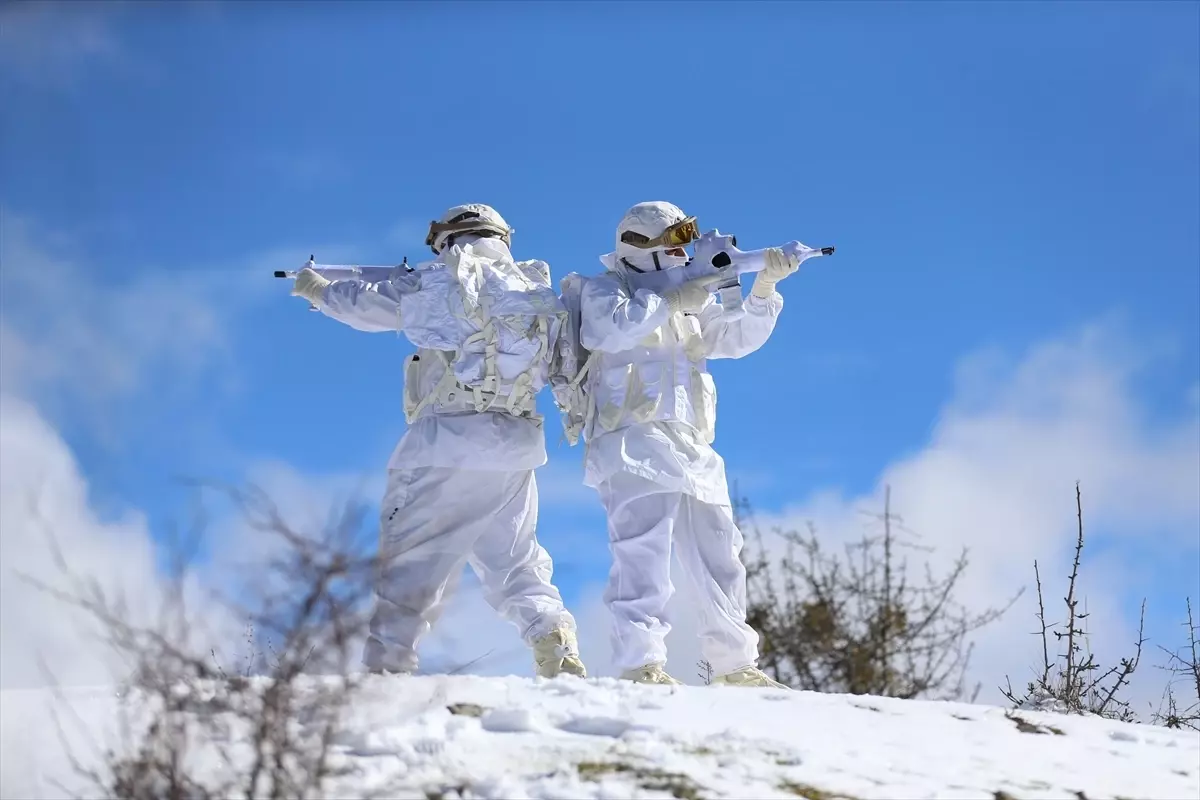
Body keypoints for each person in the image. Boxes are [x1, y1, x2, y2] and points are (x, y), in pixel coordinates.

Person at [289, 203, 586, 679]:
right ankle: (552, 633)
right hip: (515, 444)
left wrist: (320, 291)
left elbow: (371, 306)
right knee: (516, 562)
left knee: (412, 559)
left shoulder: (442, 280)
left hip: (447, 440)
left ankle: (387, 667)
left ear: (448, 239)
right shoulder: (536, 290)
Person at [575, 200, 799, 687]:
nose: (683, 253)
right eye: (673, 243)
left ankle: (735, 664)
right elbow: (606, 330)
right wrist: (676, 301)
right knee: (643, 554)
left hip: (692, 444)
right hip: (632, 439)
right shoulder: (606, 291)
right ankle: (640, 662)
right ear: (640, 246)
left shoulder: (691, 296)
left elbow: (734, 339)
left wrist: (764, 289)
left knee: (721, 554)